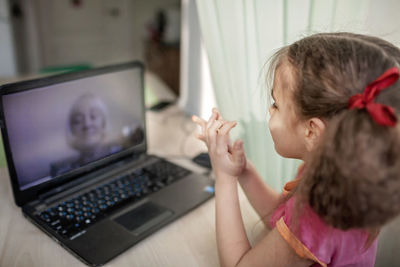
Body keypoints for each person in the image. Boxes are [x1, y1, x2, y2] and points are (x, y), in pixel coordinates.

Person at [192, 32, 400, 266]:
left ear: (311, 131)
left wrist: (224, 178)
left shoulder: (322, 214)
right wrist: (243, 170)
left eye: (276, 105)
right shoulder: (340, 176)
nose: (270, 112)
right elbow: (282, 218)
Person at [51, 93, 128, 176]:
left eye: (93, 116)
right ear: (71, 130)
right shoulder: (63, 173)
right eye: (78, 120)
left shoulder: (125, 154)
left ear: (104, 122)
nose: (87, 124)